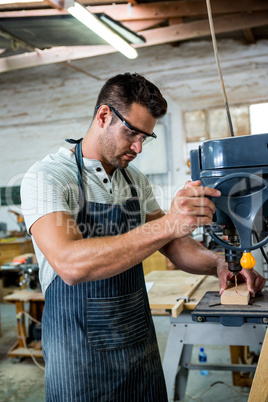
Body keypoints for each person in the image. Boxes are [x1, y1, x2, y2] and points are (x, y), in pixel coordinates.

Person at [21, 73, 265, 402]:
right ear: (104, 116)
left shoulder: (134, 180)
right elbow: (70, 263)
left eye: (145, 137)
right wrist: (169, 223)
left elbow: (175, 246)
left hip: (139, 348)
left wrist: (220, 264)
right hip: (78, 359)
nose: (137, 147)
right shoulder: (48, 177)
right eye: (131, 132)